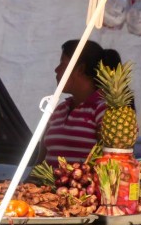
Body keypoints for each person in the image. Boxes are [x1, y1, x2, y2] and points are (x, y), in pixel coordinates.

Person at [39, 39, 122, 167]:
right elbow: (40, 162)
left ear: (80, 69)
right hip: (48, 186)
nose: (56, 69)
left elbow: (112, 165)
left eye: (62, 64)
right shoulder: (58, 111)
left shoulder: (103, 110)